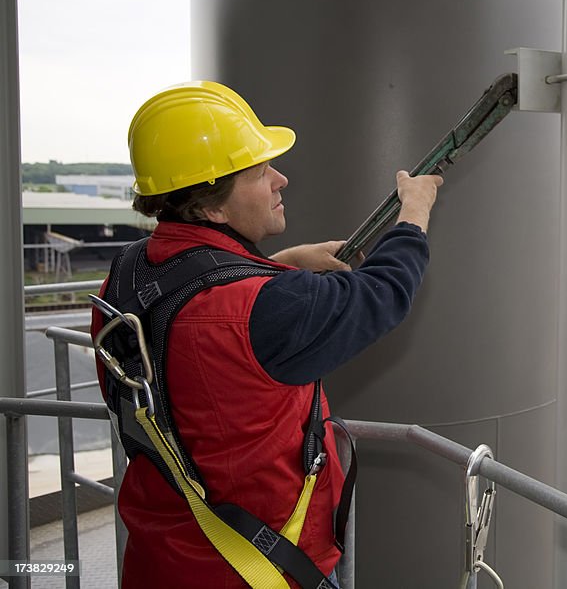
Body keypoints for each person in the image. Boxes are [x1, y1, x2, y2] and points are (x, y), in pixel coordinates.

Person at [91, 80, 443, 588]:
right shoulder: (265, 310)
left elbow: (187, 313)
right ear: (211, 206)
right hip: (260, 571)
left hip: (161, 558)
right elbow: (382, 295)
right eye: (259, 171)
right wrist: (415, 213)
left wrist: (280, 263)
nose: (280, 179)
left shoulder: (125, 276)